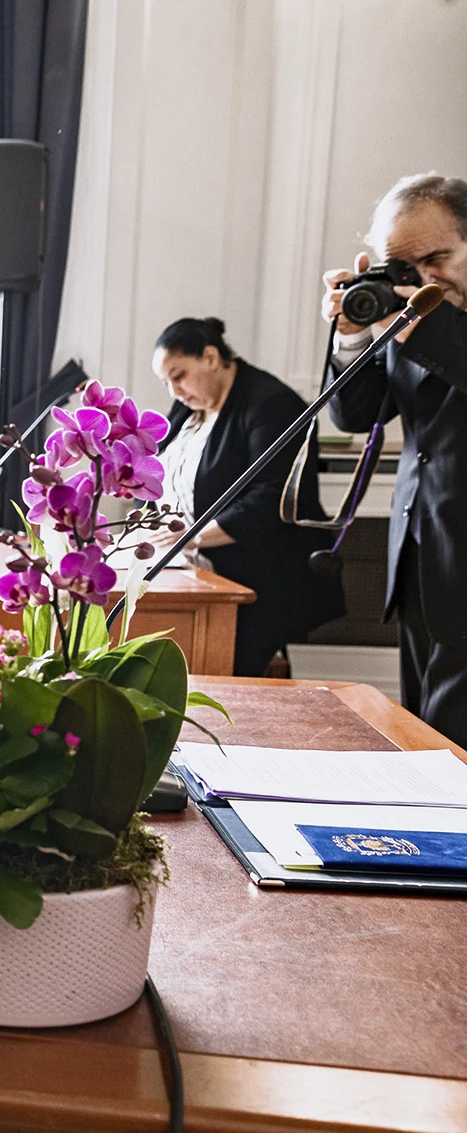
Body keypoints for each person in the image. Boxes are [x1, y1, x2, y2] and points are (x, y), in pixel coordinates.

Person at [323, 173, 467, 745]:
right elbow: (356, 415)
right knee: (425, 736)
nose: (423, 279)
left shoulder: (426, 325)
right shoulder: (410, 323)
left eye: (436, 258)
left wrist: (420, 323)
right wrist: (354, 335)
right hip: (421, 556)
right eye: (403, 268)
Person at [151, 317, 345, 675]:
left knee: (219, 681)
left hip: (261, 580)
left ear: (210, 357)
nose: (173, 391)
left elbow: (272, 499)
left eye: (178, 376)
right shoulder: (190, 404)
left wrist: (190, 539)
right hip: (200, 570)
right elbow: (159, 470)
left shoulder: (273, 404)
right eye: (166, 382)